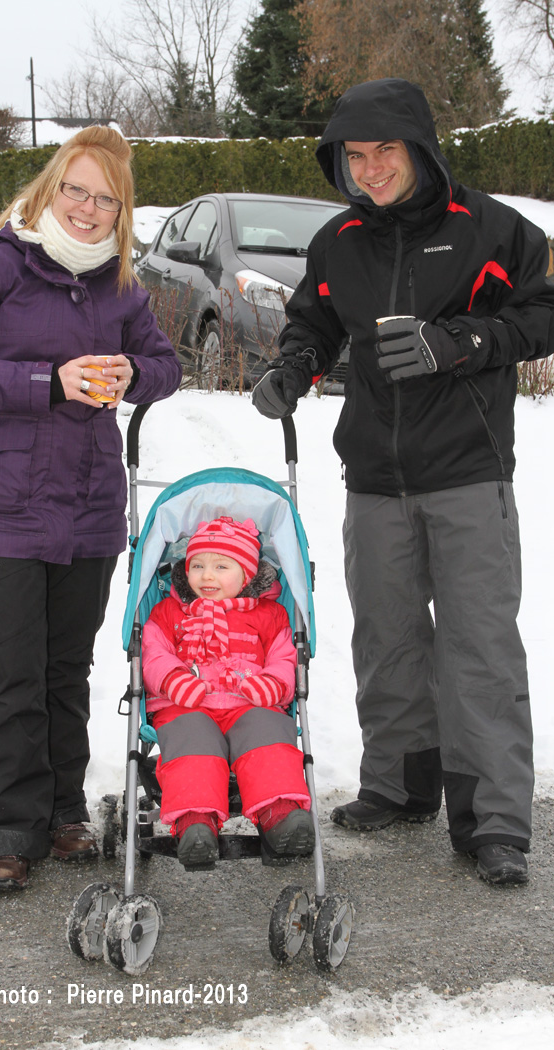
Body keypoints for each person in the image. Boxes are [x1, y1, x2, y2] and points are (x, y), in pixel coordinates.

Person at [252, 77, 554, 887]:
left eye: (384, 151)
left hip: (466, 471)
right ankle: (401, 782)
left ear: (419, 147)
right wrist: (292, 369)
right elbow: (311, 321)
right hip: (375, 477)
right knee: (385, 635)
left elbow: (544, 311)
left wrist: (459, 344)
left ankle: (494, 819)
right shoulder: (341, 240)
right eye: (355, 155)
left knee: (478, 644)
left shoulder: (489, 227)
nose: (371, 169)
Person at [0, 126, 182, 892]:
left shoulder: (121, 284)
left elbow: (164, 365)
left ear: (121, 210)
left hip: (88, 507)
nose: (88, 209)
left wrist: (131, 370)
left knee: (64, 671)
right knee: (8, 677)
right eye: (77, 190)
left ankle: (62, 811)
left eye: (106, 199)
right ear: (50, 187)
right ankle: (7, 830)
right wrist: (50, 382)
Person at [141, 516, 314, 868]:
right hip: (187, 703)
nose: (207, 576)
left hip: (249, 701)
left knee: (268, 737)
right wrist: (174, 678)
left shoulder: (271, 615)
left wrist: (271, 683)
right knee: (193, 745)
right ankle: (195, 827)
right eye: (198, 565)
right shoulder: (170, 611)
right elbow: (153, 653)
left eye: (222, 566)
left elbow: (284, 658)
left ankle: (280, 815)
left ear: (248, 574)